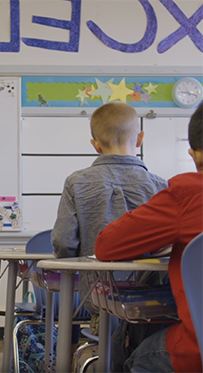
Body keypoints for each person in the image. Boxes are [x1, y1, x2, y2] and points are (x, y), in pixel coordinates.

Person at [50, 102, 168, 366]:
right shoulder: (160, 186)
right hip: (152, 300)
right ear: (140, 138)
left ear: (95, 144)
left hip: (98, 296)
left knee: (104, 320)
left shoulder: (76, 182)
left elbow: (64, 242)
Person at [94, 102, 203, 373]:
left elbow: (106, 245)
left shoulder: (186, 194)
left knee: (133, 348)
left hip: (196, 350)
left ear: (194, 155)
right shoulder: (156, 181)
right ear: (140, 138)